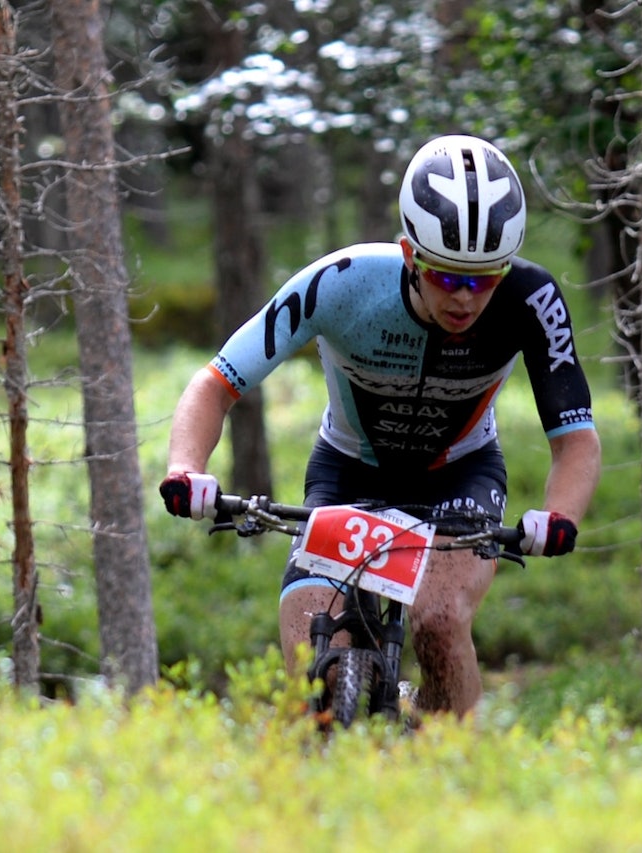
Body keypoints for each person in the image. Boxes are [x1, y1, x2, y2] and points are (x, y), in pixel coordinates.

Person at [159, 134, 601, 715]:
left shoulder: (531, 298)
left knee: (439, 621)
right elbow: (215, 384)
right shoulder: (341, 283)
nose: (466, 299)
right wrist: (187, 470)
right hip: (348, 474)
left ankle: (448, 764)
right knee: (309, 672)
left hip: (459, 477)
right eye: (447, 276)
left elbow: (575, 439)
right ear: (410, 254)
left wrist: (560, 515)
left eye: (484, 278)